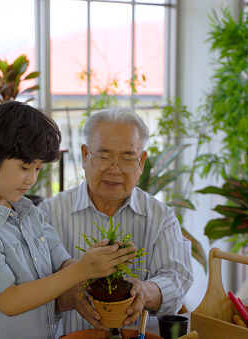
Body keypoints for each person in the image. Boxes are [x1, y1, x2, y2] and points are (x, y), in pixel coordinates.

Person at [0, 101, 138, 339]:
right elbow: (10, 301)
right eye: (25, 167)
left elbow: (62, 264)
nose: (31, 180)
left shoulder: (30, 212)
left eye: (37, 169)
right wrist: (83, 269)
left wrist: (100, 268)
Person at [39, 107, 194, 335]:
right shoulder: (49, 214)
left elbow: (177, 280)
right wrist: (72, 296)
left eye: (127, 158)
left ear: (141, 162)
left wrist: (144, 291)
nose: (115, 169)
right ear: (84, 156)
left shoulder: (161, 217)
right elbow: (29, 291)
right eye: (103, 156)